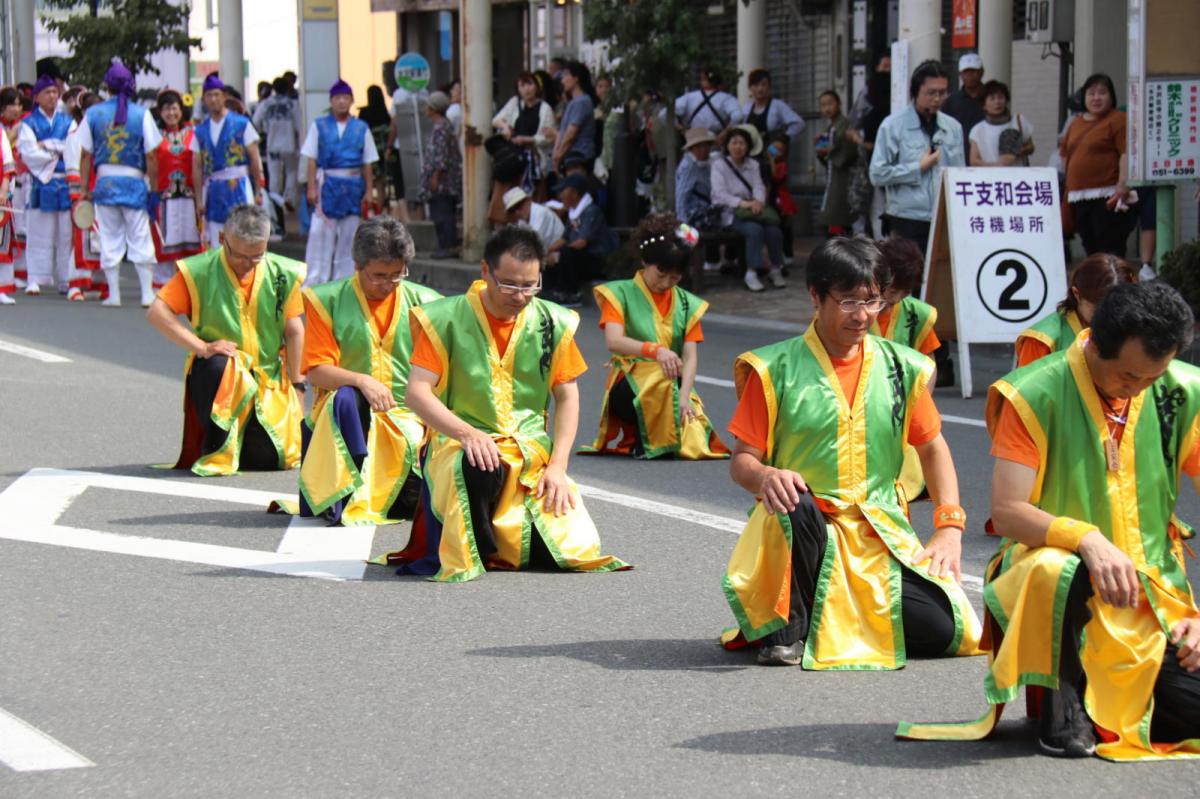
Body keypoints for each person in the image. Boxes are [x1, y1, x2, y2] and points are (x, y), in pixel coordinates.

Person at [898, 281, 1200, 760]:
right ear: (1095, 343)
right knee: (1057, 566)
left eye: (1151, 378)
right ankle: (1063, 703)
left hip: (1153, 596)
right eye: (1128, 377)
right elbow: (1009, 512)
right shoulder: (1035, 391)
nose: (1139, 388)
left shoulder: (1182, 390)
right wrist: (1085, 538)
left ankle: (1119, 699)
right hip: (1059, 589)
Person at [720, 236, 982, 668]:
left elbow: (933, 448)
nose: (862, 316)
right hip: (806, 530)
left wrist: (950, 525)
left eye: (873, 301)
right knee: (793, 499)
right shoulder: (775, 368)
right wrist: (767, 476)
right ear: (815, 296)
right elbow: (742, 461)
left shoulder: (902, 367)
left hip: (878, 533)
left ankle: (834, 616)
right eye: (847, 302)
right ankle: (791, 624)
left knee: (945, 631)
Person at [399, 226, 631, 582]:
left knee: (569, 553)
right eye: (509, 284)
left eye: (530, 285)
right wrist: (466, 433)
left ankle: (504, 541)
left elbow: (567, 395)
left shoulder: (552, 321)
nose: (520, 296)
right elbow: (417, 392)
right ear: (485, 271)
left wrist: (558, 466)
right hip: (458, 445)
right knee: (475, 464)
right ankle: (478, 545)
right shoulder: (445, 318)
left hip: (528, 449)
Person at [290, 217, 441, 525]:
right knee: (347, 397)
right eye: (379, 276)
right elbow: (317, 371)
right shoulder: (325, 300)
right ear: (357, 267)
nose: (387, 284)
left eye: (397, 275)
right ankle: (345, 492)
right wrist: (362, 380)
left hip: (409, 422)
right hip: (346, 418)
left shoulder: (428, 304)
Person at [146, 204, 305, 476]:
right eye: (239, 255)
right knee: (219, 365)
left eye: (256, 257)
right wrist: (203, 348)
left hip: (267, 380)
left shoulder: (281, 273)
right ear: (222, 239)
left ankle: (243, 444)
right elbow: (158, 313)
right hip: (219, 374)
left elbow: (294, 331)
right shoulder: (200, 271)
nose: (247, 263)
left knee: (272, 458)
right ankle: (217, 446)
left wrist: (298, 385)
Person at [582, 214, 730, 460]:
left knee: (692, 430)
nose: (666, 282)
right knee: (660, 378)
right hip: (630, 386)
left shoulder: (686, 303)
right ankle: (646, 439)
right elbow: (614, 341)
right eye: (661, 274)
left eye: (675, 277)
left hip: (673, 384)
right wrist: (657, 351)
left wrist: (684, 397)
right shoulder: (620, 293)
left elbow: (690, 357)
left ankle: (658, 434)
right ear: (645, 262)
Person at [78, 60, 163, 308]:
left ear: (107, 87)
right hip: (134, 183)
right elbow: (152, 155)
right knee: (139, 236)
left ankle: (114, 294)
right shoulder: (142, 114)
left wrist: (84, 188)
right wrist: (154, 188)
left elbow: (85, 154)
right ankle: (147, 293)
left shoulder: (94, 114)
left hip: (105, 184)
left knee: (109, 236)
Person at [869, 60, 966, 252]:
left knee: (942, 279)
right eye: (931, 93)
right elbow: (877, 174)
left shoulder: (953, 127)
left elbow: (960, 174)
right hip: (907, 218)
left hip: (944, 217)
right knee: (908, 278)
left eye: (942, 92)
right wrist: (917, 168)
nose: (937, 98)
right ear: (915, 92)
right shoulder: (893, 125)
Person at [302, 80, 378, 287]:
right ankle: (315, 280)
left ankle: (343, 281)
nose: (342, 102)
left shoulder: (361, 128)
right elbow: (311, 158)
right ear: (331, 101)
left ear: (352, 101)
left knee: (349, 237)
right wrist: (311, 187)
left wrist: (369, 191)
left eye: (346, 98)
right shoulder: (319, 125)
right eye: (338, 98)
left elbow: (368, 162)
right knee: (320, 235)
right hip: (327, 185)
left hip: (352, 187)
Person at [18, 74, 82, 299]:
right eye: (48, 93)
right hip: (42, 182)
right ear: (37, 97)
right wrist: (59, 149)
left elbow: (75, 148)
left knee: (66, 235)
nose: (53, 97)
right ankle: (35, 277)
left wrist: (47, 145)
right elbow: (28, 152)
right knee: (38, 232)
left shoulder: (68, 122)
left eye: (55, 92)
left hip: (65, 182)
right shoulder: (28, 124)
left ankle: (66, 279)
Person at [1060, 73, 1137, 257]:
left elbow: (1125, 153)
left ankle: (1116, 285)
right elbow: (1065, 155)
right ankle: (1098, 285)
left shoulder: (1118, 119)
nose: (1096, 98)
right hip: (1078, 196)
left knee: (1110, 246)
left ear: (1111, 97)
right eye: (1091, 93)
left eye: (1102, 93)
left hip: (1108, 195)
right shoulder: (1076, 123)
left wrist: (1123, 182)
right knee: (1090, 246)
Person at [1014, 253, 1136, 367]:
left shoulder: (1137, 332)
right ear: (1076, 294)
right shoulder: (1043, 341)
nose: (1110, 316)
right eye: (1099, 307)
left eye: (1118, 307)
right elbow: (1027, 389)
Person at [192, 73, 265, 249]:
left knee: (243, 238)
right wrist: (199, 200)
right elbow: (197, 165)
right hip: (214, 190)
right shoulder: (200, 130)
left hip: (239, 186)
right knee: (218, 241)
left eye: (217, 94)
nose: (213, 99)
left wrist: (258, 189)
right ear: (204, 99)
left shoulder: (241, 124)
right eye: (209, 95)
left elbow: (254, 159)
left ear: (224, 96)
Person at [712, 124, 786, 292]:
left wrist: (758, 202)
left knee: (774, 231)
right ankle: (751, 272)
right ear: (727, 145)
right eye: (734, 143)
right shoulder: (719, 165)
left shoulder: (753, 164)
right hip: (731, 212)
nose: (738, 147)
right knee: (755, 230)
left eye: (742, 143)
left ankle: (776, 269)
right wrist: (744, 203)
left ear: (748, 146)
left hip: (753, 209)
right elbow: (719, 194)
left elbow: (759, 186)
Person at [150, 89, 204, 287]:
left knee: (191, 237)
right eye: (166, 109)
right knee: (164, 238)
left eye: (174, 108)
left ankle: (191, 283)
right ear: (160, 112)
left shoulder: (194, 133)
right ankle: (163, 283)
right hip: (164, 195)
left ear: (181, 110)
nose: (171, 113)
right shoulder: (154, 135)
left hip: (189, 195)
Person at [540, 173, 617, 307]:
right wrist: (545, 252)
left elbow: (582, 242)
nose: (560, 196)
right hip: (579, 257)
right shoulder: (573, 213)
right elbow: (564, 238)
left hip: (596, 259)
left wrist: (559, 255)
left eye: (563, 191)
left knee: (565, 254)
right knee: (549, 257)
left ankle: (569, 294)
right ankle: (551, 291)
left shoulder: (592, 212)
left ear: (574, 193)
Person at [872, 236, 940, 357]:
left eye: (905, 293)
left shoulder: (917, 313)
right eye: (892, 291)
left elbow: (928, 365)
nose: (896, 299)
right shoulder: (854, 308)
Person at [492, 72, 557, 193]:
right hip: (513, 158)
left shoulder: (545, 108)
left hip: (534, 160)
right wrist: (505, 126)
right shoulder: (514, 103)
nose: (526, 89)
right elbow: (496, 120)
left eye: (529, 84)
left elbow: (548, 138)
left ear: (536, 86)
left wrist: (527, 139)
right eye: (522, 86)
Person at [419, 91, 461, 259]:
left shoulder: (441, 128)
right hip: (447, 179)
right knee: (443, 213)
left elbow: (441, 156)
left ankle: (448, 246)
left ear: (434, 109)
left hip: (444, 181)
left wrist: (435, 177)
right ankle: (446, 246)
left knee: (443, 214)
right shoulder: (445, 126)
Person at [252, 77, 303, 212]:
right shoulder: (293, 104)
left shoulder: (266, 104)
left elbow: (255, 122)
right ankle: (289, 200)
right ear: (287, 88)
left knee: (273, 176)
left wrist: (264, 130)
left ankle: (276, 203)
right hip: (290, 145)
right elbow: (299, 126)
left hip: (272, 145)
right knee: (291, 173)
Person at [814, 90, 855, 237]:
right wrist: (821, 153)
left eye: (830, 104)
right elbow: (828, 159)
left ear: (839, 104)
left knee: (837, 217)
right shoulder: (830, 127)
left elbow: (848, 153)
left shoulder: (844, 125)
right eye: (823, 105)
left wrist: (830, 152)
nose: (827, 108)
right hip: (833, 178)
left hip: (843, 179)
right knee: (832, 218)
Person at [968, 81, 1035, 167]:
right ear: (984, 104)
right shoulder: (977, 130)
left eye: (1000, 97)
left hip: (1018, 176)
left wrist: (1015, 152)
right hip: (991, 178)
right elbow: (974, 161)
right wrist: (997, 166)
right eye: (992, 98)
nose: (997, 102)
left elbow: (1031, 147)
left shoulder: (1018, 120)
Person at [552, 62, 597, 173]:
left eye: (566, 75)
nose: (563, 80)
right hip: (572, 155)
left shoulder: (581, 102)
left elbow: (571, 133)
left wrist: (559, 154)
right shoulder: (573, 102)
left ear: (576, 78)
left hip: (578, 155)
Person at [740, 69, 805, 139]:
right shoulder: (746, 108)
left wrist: (784, 139)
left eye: (763, 84)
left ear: (769, 86)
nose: (760, 88)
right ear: (750, 88)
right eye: (756, 85)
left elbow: (799, 123)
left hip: (772, 148)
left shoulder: (778, 106)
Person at [674, 67, 739, 138]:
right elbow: (738, 117)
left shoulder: (689, 97)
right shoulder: (727, 98)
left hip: (694, 140)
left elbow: (664, 114)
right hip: (717, 139)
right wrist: (724, 134)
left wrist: (683, 131)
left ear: (703, 80)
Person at [941, 53, 986, 145]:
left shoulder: (991, 97)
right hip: (960, 153)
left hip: (988, 152)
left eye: (974, 71)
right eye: (966, 72)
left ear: (982, 72)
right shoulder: (951, 101)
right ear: (960, 75)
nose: (970, 76)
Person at [503, 187, 564, 255]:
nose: (517, 212)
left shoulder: (540, 212)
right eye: (513, 210)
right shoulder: (522, 222)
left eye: (519, 205)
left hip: (560, 252)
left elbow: (533, 244)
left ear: (528, 200)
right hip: (547, 254)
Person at [0, 98, 13, 305]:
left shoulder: (1, 133)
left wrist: (3, 190)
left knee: (1, 244)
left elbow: (8, 166)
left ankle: (1, 288)